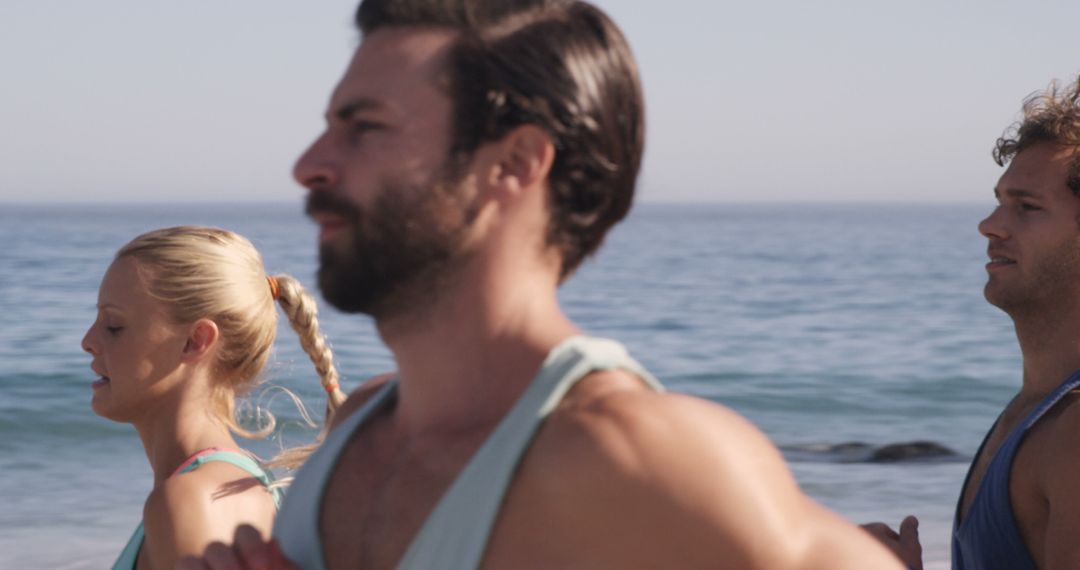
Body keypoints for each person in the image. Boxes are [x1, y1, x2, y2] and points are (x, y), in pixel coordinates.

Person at [181, 1, 902, 568]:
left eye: (363, 127)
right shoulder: (355, 431)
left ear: (514, 163)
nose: (309, 164)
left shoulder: (631, 454)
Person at [866, 76, 1080, 569]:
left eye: (1026, 207)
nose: (990, 224)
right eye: (1000, 200)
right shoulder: (1035, 411)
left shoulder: (1075, 433)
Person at [82, 226, 345, 569]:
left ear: (195, 341)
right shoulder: (230, 486)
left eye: (113, 326)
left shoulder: (193, 502)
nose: (88, 341)